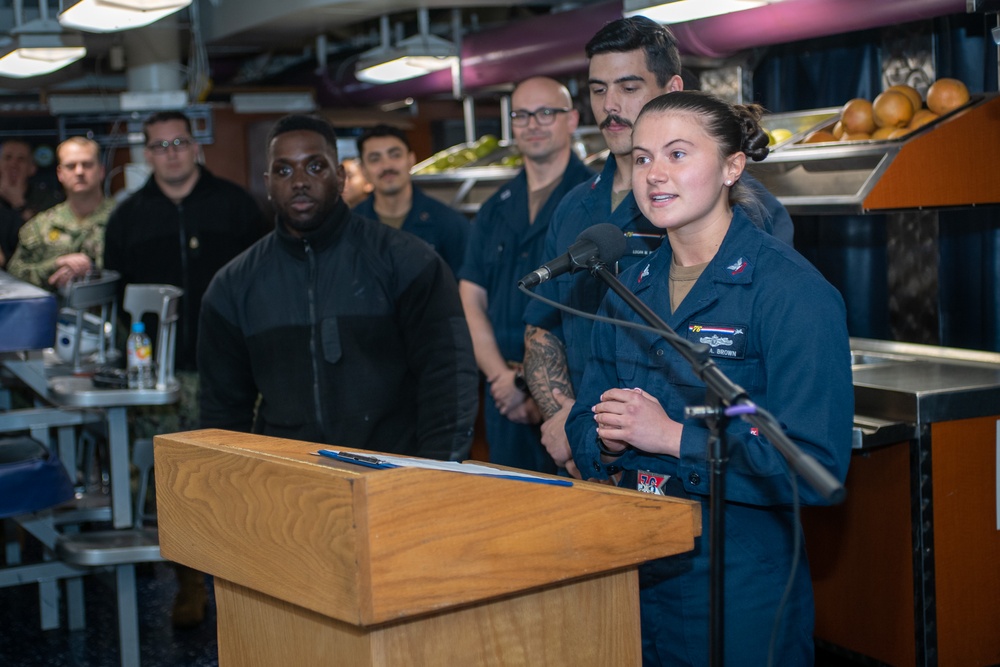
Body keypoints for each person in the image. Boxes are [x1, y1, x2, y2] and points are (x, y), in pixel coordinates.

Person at [565, 90, 854, 666]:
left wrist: (672, 437)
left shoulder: (791, 293)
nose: (654, 175)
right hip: (637, 566)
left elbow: (814, 462)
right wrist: (604, 438)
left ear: (731, 166)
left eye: (677, 154)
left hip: (738, 577)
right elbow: (582, 414)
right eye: (642, 158)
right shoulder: (626, 286)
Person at [523, 16, 795, 479]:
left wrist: (663, 433)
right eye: (597, 89)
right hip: (596, 447)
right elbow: (542, 327)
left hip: (697, 456)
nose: (610, 105)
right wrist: (571, 422)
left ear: (671, 86)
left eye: (628, 87)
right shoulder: (573, 206)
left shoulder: (741, 208)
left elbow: (762, 349)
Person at [198, 114, 478, 461]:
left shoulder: (407, 262)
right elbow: (222, 409)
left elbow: (448, 376)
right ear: (268, 183)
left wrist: (437, 471)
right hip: (287, 485)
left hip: (393, 477)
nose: (300, 181)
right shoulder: (234, 286)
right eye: (285, 171)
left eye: (315, 167)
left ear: (341, 176)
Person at [102, 109, 264, 628]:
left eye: (179, 142)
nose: (170, 152)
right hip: (162, 380)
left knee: (236, 478)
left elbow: (261, 285)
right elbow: (118, 304)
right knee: (174, 485)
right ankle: (188, 582)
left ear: (195, 146)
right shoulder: (128, 217)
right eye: (159, 145)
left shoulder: (236, 206)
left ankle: (248, 584)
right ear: (146, 154)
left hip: (232, 369)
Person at [457, 77, 593, 473]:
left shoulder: (592, 201)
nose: (532, 124)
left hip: (570, 400)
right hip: (503, 396)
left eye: (545, 113)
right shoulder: (495, 208)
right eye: (521, 115)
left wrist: (539, 390)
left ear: (571, 119)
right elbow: (471, 299)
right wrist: (502, 378)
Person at [352, 124, 468, 276]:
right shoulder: (350, 227)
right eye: (375, 159)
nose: (387, 166)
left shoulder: (449, 223)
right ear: (363, 170)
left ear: (411, 159)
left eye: (395, 155)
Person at [7, 137, 114, 290]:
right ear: (60, 173)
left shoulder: (124, 218)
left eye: (87, 165)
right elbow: (14, 274)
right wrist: (55, 265)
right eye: (71, 166)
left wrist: (92, 269)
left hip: (112, 309)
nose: (79, 172)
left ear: (101, 170)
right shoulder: (40, 226)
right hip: (54, 310)